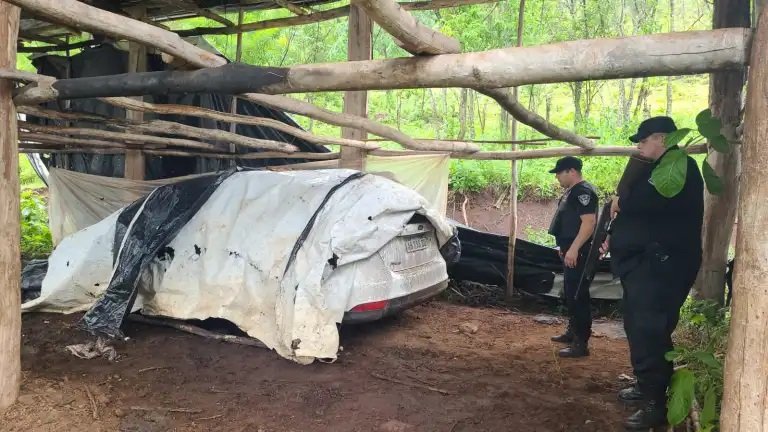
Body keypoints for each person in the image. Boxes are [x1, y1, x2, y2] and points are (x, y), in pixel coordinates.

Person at [602, 116, 704, 430]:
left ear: (661, 138)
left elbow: (642, 204)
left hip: (661, 267)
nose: (639, 147)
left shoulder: (679, 168)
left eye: (643, 141)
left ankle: (654, 404)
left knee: (650, 330)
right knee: (639, 327)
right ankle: (646, 385)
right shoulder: (658, 168)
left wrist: (621, 199)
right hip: (646, 267)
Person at [546, 156, 598, 358]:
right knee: (570, 293)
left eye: (559, 173)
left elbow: (589, 223)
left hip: (580, 251)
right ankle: (573, 332)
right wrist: (565, 247)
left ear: (572, 171)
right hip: (571, 249)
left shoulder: (583, 192)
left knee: (578, 295)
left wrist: (574, 248)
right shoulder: (573, 191)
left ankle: (580, 343)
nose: (557, 177)